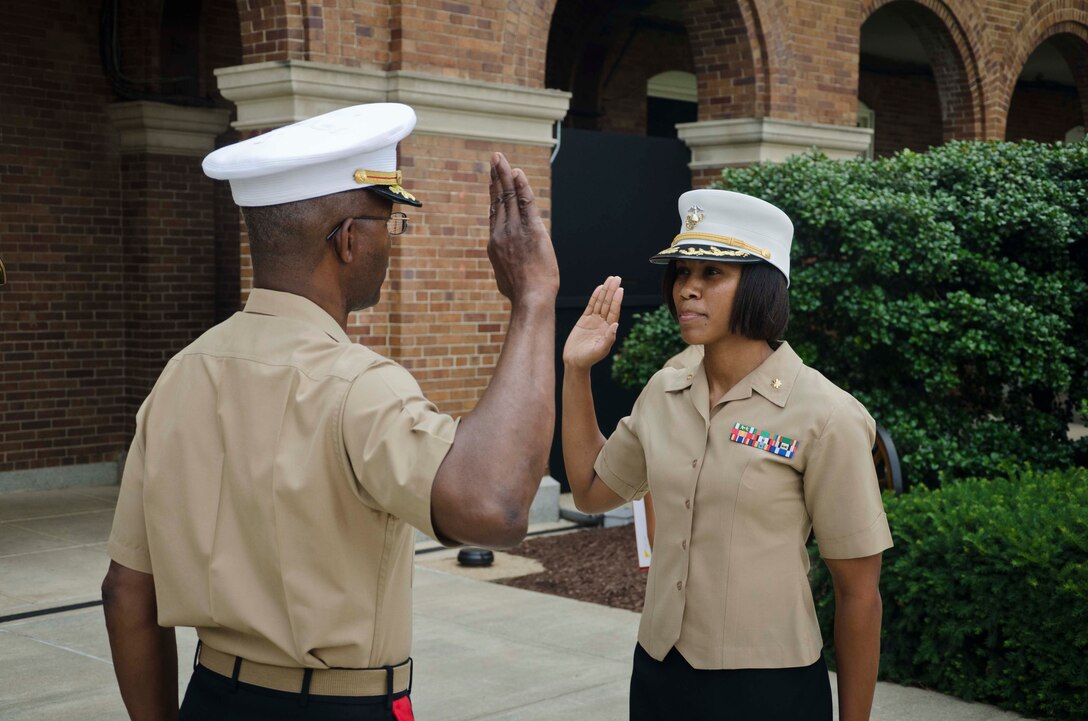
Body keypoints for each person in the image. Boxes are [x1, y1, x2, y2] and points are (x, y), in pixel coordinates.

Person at [101, 102, 559, 721]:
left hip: (210, 697)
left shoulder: (182, 374)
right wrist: (532, 300)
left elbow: (127, 590)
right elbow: (495, 509)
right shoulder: (358, 386)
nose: (390, 242)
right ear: (348, 240)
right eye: (388, 223)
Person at [561, 189, 892, 721]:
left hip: (768, 689)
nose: (688, 290)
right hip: (657, 676)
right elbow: (591, 491)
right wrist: (577, 371)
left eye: (712, 274)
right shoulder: (664, 392)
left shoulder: (826, 415)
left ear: (761, 286)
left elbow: (859, 593)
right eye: (682, 274)